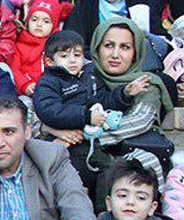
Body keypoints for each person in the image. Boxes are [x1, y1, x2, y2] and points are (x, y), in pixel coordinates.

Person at [32, 29, 132, 192]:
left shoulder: (88, 77)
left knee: (108, 167)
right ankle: (98, 211)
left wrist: (124, 94)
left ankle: (101, 212)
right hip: (63, 141)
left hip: (88, 138)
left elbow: (102, 100)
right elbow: (49, 110)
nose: (72, 60)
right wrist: (86, 116)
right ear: (50, 61)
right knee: (87, 171)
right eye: (64, 56)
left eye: (77, 55)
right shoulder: (49, 82)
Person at [88, 17, 174, 205]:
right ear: (97, 48)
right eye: (109, 45)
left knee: (141, 164)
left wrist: (87, 135)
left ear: (135, 53)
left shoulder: (145, 83)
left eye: (125, 47)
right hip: (88, 154)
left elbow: (140, 120)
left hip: (126, 151)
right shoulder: (83, 76)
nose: (115, 54)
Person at [9, 0, 70, 96]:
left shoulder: (58, 45)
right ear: (27, 22)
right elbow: (14, 69)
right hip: (27, 91)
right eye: (34, 20)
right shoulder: (19, 45)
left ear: (54, 25)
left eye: (46, 21)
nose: (39, 24)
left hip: (53, 91)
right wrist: (26, 85)